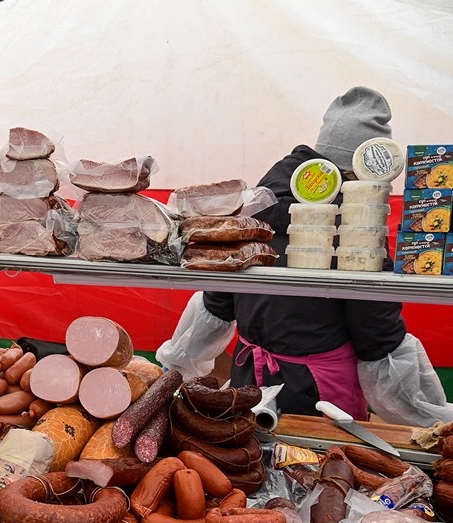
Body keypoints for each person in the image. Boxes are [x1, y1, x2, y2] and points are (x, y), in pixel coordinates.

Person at [157, 86, 453, 427]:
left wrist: (176, 366)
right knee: (314, 459)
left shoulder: (251, 208)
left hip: (247, 384)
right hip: (320, 395)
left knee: (250, 451)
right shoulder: (359, 231)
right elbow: (377, 335)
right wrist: (429, 419)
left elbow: (216, 303)